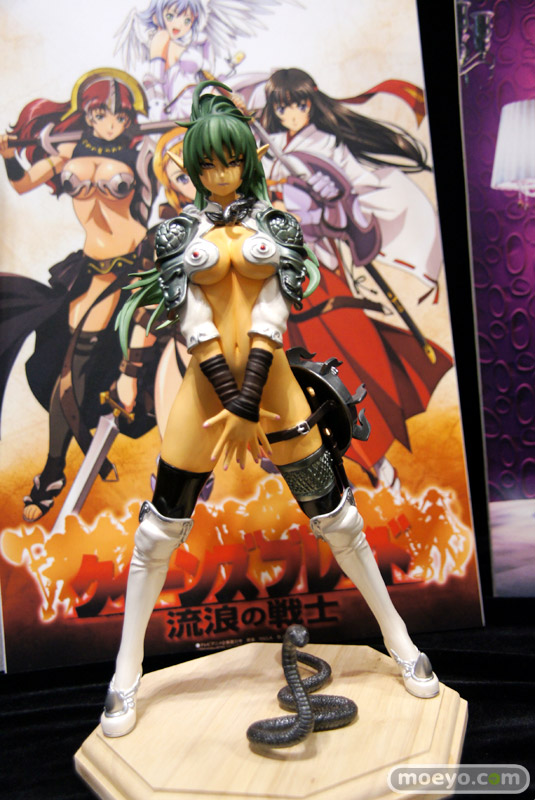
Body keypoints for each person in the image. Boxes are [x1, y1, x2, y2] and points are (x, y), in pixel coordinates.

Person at [100, 81, 439, 738]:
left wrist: (248, 403)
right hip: (205, 396)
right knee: (157, 532)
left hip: (276, 391)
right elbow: (194, 324)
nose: (219, 174)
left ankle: (400, 641)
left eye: (230, 161)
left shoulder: (275, 224)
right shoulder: (176, 232)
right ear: (193, 166)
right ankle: (125, 672)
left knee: (337, 518)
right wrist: (230, 404)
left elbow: (271, 316)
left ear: (247, 159)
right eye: (207, 164)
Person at [0, 68, 158, 522]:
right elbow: (22, 184)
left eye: (120, 116)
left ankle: (54, 471)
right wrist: (9, 156)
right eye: (101, 113)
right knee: (59, 361)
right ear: (87, 114)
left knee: (76, 367)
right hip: (86, 266)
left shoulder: (142, 154)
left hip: (131, 266)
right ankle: (60, 466)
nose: (111, 123)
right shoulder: (68, 150)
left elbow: (180, 167)